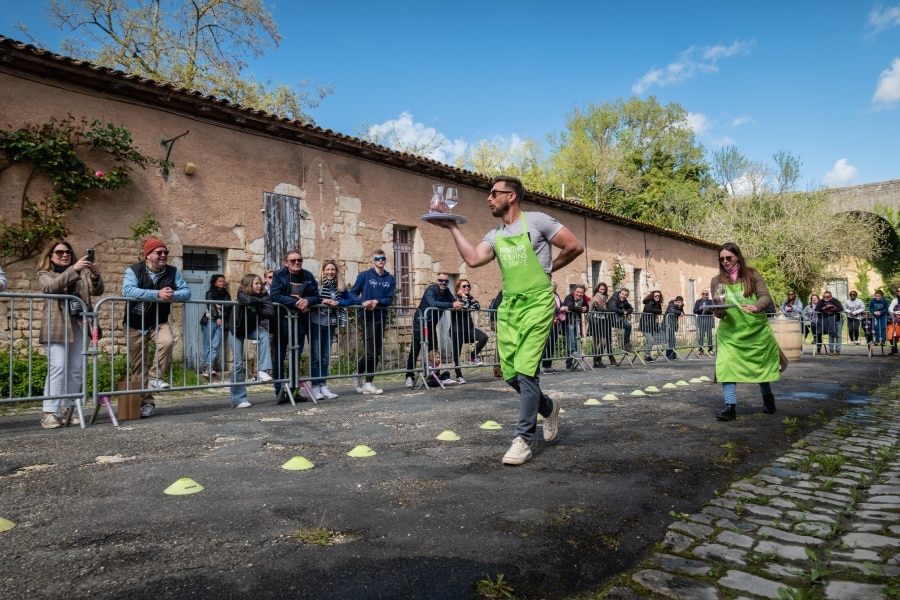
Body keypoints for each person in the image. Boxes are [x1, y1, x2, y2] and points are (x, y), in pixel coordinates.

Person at [428, 175, 584, 465]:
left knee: (527, 373)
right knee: (511, 375)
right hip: (510, 307)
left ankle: (522, 439)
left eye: (493, 193)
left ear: (510, 196)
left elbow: (574, 246)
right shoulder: (495, 235)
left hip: (537, 304)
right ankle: (548, 407)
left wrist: (547, 269)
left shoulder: (538, 221)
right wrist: (452, 226)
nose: (489, 198)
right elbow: (474, 259)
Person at [37, 241, 104, 428]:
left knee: (76, 369)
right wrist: (74, 269)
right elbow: (51, 287)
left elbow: (96, 291)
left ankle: (68, 409)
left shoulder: (81, 273)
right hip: (57, 325)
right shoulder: (45, 274)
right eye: (59, 252)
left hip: (79, 324)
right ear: (50, 255)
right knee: (58, 366)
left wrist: (95, 275)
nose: (64, 255)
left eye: (68, 252)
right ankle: (50, 412)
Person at [711, 243, 781, 421]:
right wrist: (717, 310)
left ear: (737, 256)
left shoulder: (752, 274)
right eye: (722, 259)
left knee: (759, 366)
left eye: (729, 257)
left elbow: (765, 296)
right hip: (730, 332)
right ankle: (730, 407)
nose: (725, 262)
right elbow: (718, 307)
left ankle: (768, 399)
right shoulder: (717, 281)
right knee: (726, 365)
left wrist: (756, 306)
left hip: (755, 329)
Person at [122, 238, 191, 417]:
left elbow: (187, 292)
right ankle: (146, 402)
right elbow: (128, 291)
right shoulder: (134, 270)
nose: (163, 256)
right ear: (148, 255)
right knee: (138, 367)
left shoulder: (172, 272)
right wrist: (157, 294)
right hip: (135, 323)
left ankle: (155, 378)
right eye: (159, 252)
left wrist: (173, 294)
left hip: (158, 321)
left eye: (165, 253)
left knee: (167, 342)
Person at [269, 250, 320, 403]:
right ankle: (279, 392)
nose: (297, 263)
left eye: (299, 260)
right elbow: (275, 295)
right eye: (293, 261)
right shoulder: (279, 275)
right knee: (279, 357)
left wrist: (308, 301)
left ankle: (293, 390)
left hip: (300, 323)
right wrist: (297, 303)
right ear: (286, 263)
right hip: (281, 322)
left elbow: (316, 295)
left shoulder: (308, 276)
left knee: (295, 357)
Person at [349, 250, 396, 395]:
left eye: (383, 258)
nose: (380, 261)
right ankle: (361, 376)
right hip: (367, 316)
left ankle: (367, 380)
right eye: (377, 258)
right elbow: (352, 293)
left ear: (385, 260)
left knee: (376, 351)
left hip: (380, 316)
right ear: (373, 260)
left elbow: (389, 299)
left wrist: (377, 301)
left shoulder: (390, 279)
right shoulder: (365, 275)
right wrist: (363, 302)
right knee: (370, 351)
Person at [405, 272, 461, 388]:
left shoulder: (446, 292)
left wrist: (459, 301)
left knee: (434, 350)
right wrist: (452, 304)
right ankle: (409, 376)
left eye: (446, 281)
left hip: (431, 325)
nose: (443, 283)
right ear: (437, 281)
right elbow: (433, 303)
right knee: (415, 350)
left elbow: (453, 301)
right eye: (441, 280)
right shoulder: (431, 290)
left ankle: (435, 376)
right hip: (420, 322)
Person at [227, 274, 274, 408]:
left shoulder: (264, 295)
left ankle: (263, 370)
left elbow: (270, 313)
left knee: (264, 335)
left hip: (251, 329)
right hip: (236, 329)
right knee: (237, 363)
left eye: (260, 283)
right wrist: (259, 304)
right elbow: (244, 299)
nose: (260, 286)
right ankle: (238, 399)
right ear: (249, 285)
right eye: (256, 284)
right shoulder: (242, 292)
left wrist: (255, 306)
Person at [309, 259, 354, 399]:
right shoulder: (316, 284)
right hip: (316, 323)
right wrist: (321, 301)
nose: (330, 272)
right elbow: (310, 298)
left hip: (330, 323)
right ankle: (315, 387)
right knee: (315, 357)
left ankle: (324, 386)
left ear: (336, 271)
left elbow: (350, 299)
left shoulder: (339, 286)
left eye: (332, 269)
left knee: (325, 357)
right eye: (327, 269)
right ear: (323, 271)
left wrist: (338, 302)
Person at [449, 278, 489, 382]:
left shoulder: (469, 297)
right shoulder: (453, 298)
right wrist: (464, 299)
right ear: (458, 288)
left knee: (484, 337)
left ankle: (472, 356)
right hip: (456, 329)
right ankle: (459, 376)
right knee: (456, 353)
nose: (467, 287)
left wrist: (466, 300)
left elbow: (477, 305)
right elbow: (466, 306)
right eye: (464, 286)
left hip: (468, 328)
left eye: (468, 286)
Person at [201, 273, 229, 378]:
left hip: (222, 321)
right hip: (210, 320)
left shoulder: (226, 294)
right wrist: (217, 317)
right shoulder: (210, 293)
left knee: (215, 345)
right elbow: (211, 305)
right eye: (220, 281)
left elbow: (229, 306)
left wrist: (220, 306)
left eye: (223, 281)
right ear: (215, 283)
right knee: (208, 345)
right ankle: (208, 367)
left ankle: (208, 366)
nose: (222, 283)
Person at [561, 284, 588, 371]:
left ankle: (570, 363)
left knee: (575, 341)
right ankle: (571, 357)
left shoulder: (583, 299)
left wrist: (585, 309)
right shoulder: (569, 297)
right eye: (578, 292)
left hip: (577, 323)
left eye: (581, 292)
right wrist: (580, 309)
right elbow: (569, 307)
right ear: (574, 291)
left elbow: (586, 306)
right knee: (571, 337)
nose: (579, 294)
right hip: (567, 323)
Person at [541, 281, 565, 374]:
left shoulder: (556, 295)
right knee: (546, 345)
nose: (554, 288)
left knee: (551, 345)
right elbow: (546, 307)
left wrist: (564, 307)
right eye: (552, 287)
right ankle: (545, 367)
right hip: (547, 322)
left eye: (554, 287)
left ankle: (548, 366)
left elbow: (560, 304)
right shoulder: (545, 295)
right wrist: (559, 309)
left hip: (555, 322)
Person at [588, 282, 614, 367]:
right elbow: (589, 310)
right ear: (598, 289)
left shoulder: (605, 298)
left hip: (603, 320)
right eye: (601, 289)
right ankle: (595, 361)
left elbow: (606, 309)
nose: (602, 291)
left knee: (604, 342)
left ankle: (599, 358)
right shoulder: (594, 298)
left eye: (604, 289)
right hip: (595, 321)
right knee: (596, 342)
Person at [815, 291, 844, 355]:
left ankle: (838, 350)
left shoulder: (835, 301)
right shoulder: (821, 301)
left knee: (838, 335)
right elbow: (817, 309)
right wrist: (825, 310)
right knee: (831, 334)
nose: (825, 298)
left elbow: (841, 308)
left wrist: (833, 310)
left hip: (838, 320)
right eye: (824, 297)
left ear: (831, 297)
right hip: (829, 320)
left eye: (827, 297)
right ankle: (831, 350)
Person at [606, 288, 634, 353]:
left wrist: (626, 312)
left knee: (628, 326)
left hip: (616, 320)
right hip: (608, 320)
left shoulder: (624, 301)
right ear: (620, 293)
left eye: (625, 295)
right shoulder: (614, 299)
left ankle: (626, 345)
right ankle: (604, 355)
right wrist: (622, 312)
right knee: (608, 338)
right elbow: (612, 308)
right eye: (622, 294)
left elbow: (631, 308)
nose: (623, 296)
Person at [640, 290, 663, 362]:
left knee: (649, 341)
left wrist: (656, 310)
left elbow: (660, 311)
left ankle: (648, 355)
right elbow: (650, 309)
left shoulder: (658, 304)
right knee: (651, 341)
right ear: (652, 296)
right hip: (645, 324)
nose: (657, 297)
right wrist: (656, 311)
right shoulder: (649, 302)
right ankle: (647, 356)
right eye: (655, 296)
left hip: (651, 325)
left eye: (658, 296)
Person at [693, 289, 715, 356]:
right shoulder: (698, 301)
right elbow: (694, 311)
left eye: (706, 294)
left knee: (709, 336)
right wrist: (700, 309)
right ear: (701, 294)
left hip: (708, 321)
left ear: (708, 295)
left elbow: (714, 310)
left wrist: (708, 309)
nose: (705, 295)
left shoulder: (711, 302)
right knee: (701, 336)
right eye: (703, 294)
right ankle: (701, 350)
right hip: (701, 321)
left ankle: (710, 349)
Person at [664, 295, 685, 360]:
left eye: (681, 302)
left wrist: (681, 312)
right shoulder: (671, 305)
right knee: (670, 340)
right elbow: (672, 311)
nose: (680, 304)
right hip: (667, 325)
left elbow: (683, 313)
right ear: (675, 302)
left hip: (673, 325)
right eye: (678, 302)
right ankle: (670, 355)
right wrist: (680, 312)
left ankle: (672, 356)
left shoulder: (680, 306)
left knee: (672, 340)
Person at [889, 286, 900, 356]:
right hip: (895, 319)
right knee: (891, 334)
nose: (899, 292)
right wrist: (895, 314)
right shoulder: (894, 300)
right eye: (898, 291)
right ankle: (894, 350)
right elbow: (890, 309)